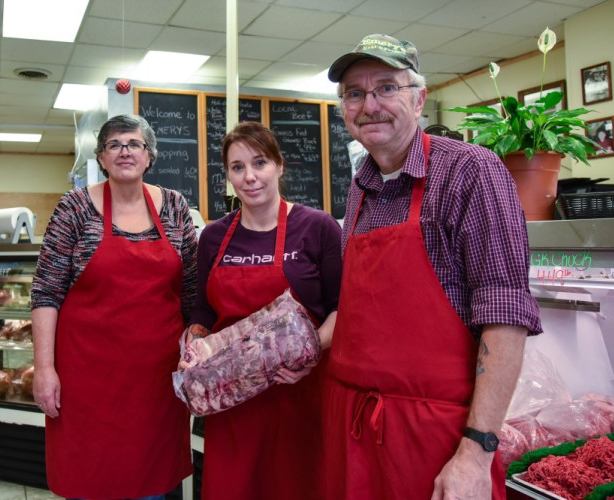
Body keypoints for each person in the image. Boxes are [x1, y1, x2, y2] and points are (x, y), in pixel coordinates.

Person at [322, 34, 543, 499]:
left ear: (420, 98)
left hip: (436, 442)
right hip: (355, 434)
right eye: (355, 93)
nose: (370, 105)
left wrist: (476, 452)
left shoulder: (471, 172)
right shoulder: (358, 190)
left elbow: (505, 319)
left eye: (387, 87)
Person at [31, 114, 198, 499]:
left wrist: (196, 354)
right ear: (102, 158)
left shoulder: (174, 206)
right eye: (114, 145)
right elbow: (45, 292)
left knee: (151, 484)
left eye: (134, 144)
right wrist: (44, 369)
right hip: (87, 383)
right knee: (91, 482)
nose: (125, 151)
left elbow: (191, 293)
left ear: (149, 156)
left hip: (156, 384)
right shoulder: (74, 208)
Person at [183, 121, 342, 500]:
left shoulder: (317, 227)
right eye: (237, 167)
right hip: (233, 399)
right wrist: (193, 344)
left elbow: (343, 308)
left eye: (260, 163)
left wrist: (309, 352)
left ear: (279, 166)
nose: (249, 177)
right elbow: (203, 310)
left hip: (299, 394)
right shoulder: (213, 237)